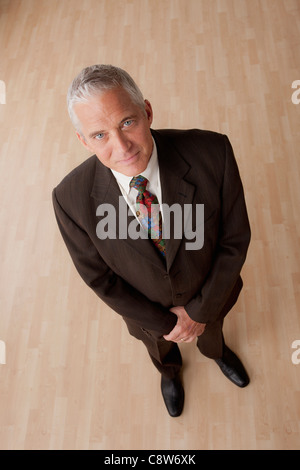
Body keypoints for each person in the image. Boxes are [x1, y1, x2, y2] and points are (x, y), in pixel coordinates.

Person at [52, 64, 251, 417]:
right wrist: (166, 324)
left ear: (146, 111)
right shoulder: (69, 199)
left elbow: (234, 240)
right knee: (159, 350)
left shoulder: (213, 152)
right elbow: (100, 279)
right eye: (99, 135)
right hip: (148, 316)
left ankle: (216, 352)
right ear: (83, 140)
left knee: (212, 333)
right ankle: (170, 373)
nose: (122, 146)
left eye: (127, 122)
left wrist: (198, 312)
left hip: (212, 297)